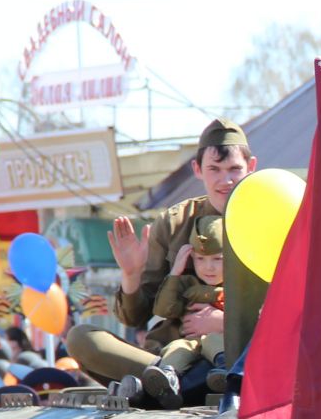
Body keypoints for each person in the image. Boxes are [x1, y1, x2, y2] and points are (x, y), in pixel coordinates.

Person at [68, 118, 254, 384]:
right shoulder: (174, 223)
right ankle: (171, 382)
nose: (225, 180)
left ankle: (181, 387)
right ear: (197, 169)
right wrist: (131, 274)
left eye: (234, 169)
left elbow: (289, 308)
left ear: (252, 167)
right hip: (172, 356)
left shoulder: (269, 219)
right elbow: (136, 317)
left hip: (243, 355)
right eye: (214, 168)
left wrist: (226, 323)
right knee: (81, 338)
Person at [141, 216, 227, 407]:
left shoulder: (238, 289)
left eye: (217, 259)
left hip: (223, 344)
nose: (208, 267)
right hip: (192, 342)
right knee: (177, 347)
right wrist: (175, 273)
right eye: (200, 259)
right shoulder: (188, 285)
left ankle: (225, 369)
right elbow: (164, 309)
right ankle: (167, 377)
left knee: (213, 341)